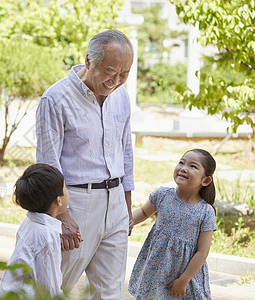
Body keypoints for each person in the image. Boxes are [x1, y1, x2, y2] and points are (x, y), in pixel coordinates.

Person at [36, 29, 135, 299]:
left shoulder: (121, 96)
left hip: (115, 203)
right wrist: (63, 216)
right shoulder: (55, 99)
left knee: (109, 293)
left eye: (124, 73)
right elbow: (48, 164)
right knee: (55, 288)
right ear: (89, 61)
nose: (116, 81)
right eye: (110, 71)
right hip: (75, 204)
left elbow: (125, 150)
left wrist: (126, 204)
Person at [128, 149, 217, 299]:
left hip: (186, 275)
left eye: (193, 166)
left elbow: (202, 252)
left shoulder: (205, 212)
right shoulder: (163, 195)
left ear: (205, 180)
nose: (183, 168)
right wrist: (127, 223)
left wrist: (184, 280)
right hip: (156, 270)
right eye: (181, 162)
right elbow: (143, 212)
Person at [0, 163, 71, 299]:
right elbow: (49, 291)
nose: (68, 192)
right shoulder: (46, 236)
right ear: (58, 201)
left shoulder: (29, 223)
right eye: (65, 188)